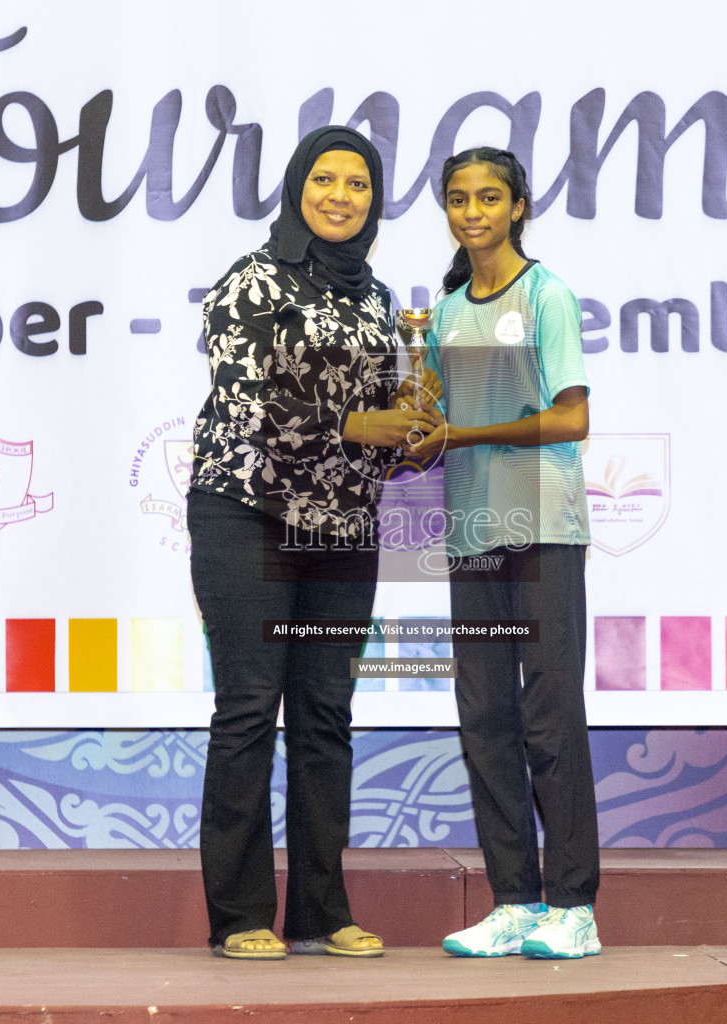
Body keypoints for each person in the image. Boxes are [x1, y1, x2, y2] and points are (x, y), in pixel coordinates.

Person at [188, 126, 440, 960]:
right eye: (326, 179)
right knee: (251, 710)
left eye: (360, 183)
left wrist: (415, 439)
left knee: (327, 717)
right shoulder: (251, 283)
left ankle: (323, 910)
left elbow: (373, 426)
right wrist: (375, 424)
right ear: (297, 187)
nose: (342, 195)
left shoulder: (373, 297)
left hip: (341, 527)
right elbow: (272, 413)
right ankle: (240, 915)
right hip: (247, 513)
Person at [409, 147, 601, 959]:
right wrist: (413, 423)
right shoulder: (446, 311)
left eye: (489, 197)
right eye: (458, 199)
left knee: (551, 716)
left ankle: (574, 908)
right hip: (474, 534)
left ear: (519, 205)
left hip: (544, 529)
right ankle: (515, 900)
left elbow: (570, 419)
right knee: (485, 716)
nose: (472, 212)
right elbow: (429, 426)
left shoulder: (548, 296)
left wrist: (465, 433)